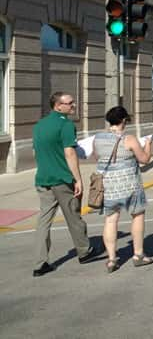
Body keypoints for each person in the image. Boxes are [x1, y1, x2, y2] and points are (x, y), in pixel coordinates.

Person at [32, 92, 95, 277]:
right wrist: (78, 179)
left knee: (43, 221)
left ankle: (39, 262)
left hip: (43, 178)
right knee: (74, 217)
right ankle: (84, 251)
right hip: (62, 179)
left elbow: (36, 152)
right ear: (58, 106)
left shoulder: (40, 125)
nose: (73, 105)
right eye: (69, 103)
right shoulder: (66, 125)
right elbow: (70, 154)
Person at [93, 106, 153, 272]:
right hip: (130, 184)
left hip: (109, 185)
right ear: (123, 121)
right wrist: (148, 144)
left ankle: (112, 259)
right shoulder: (129, 139)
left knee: (111, 219)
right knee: (137, 215)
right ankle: (138, 254)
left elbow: (97, 157)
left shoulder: (97, 138)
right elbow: (144, 159)